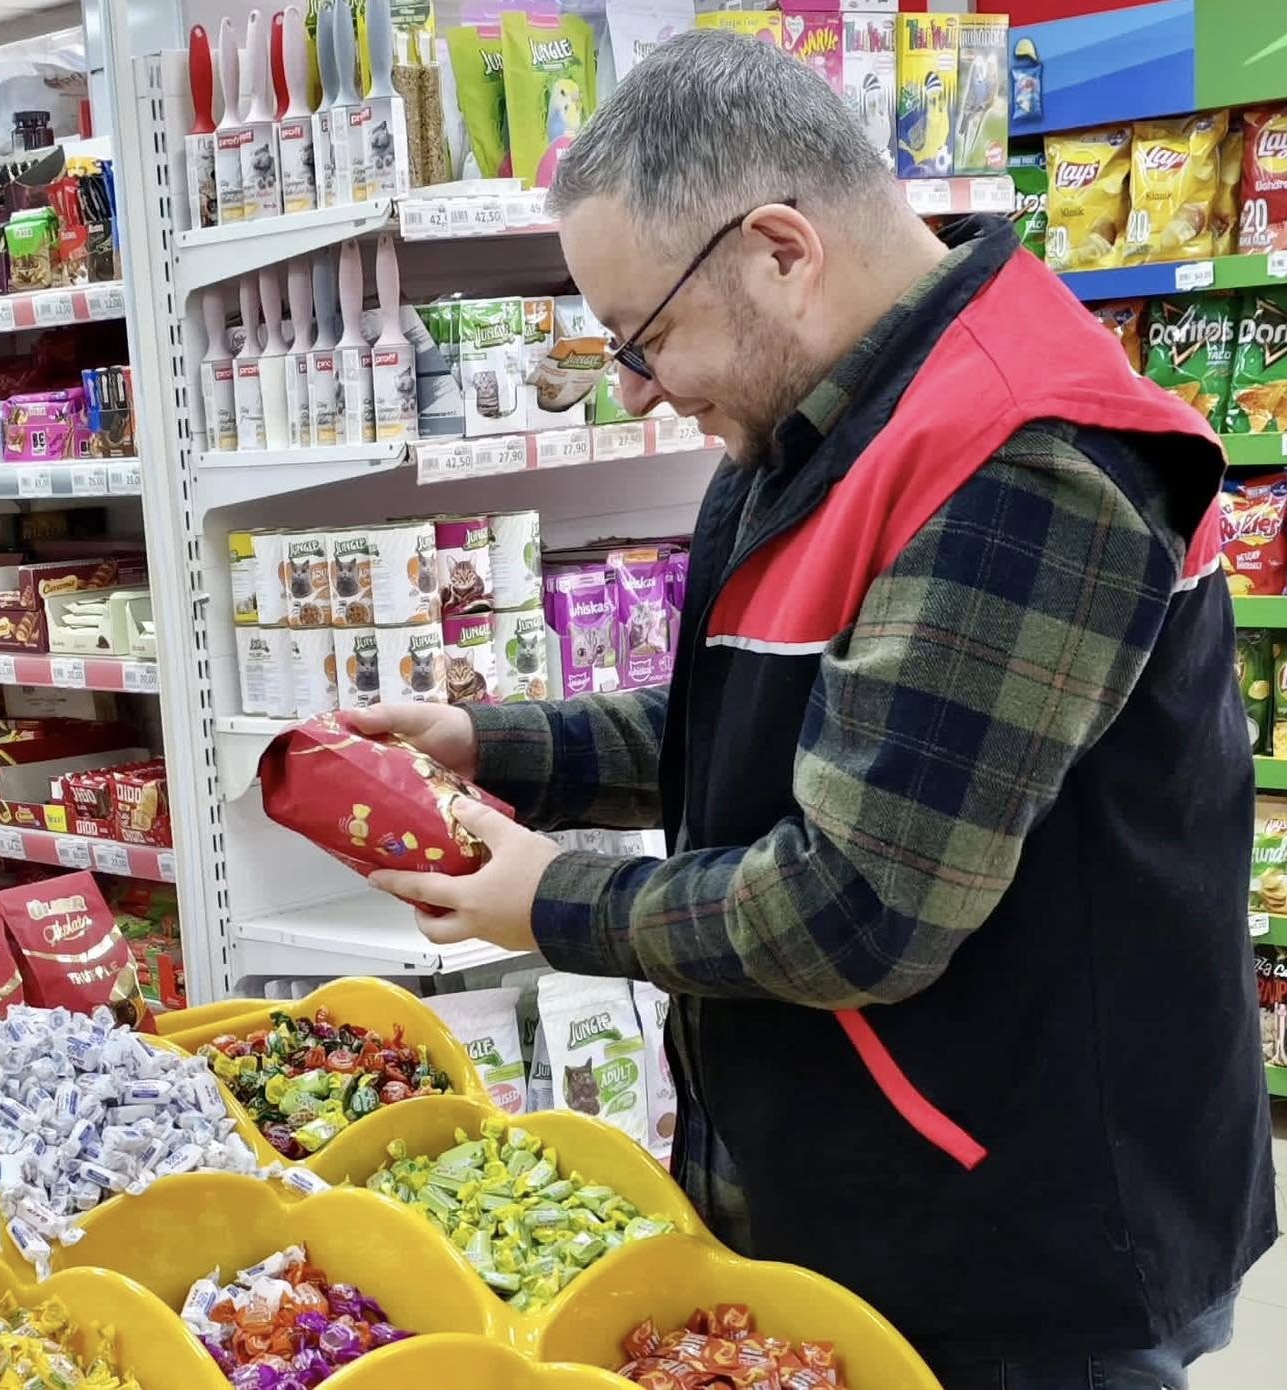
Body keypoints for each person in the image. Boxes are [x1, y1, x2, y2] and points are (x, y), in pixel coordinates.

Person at [353, 30, 1276, 1389]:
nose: (635, 389)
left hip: (1031, 1234)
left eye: (646, 338)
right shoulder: (823, 421)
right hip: (879, 1191)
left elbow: (861, 902)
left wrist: (554, 900)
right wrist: (496, 747)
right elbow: (763, 711)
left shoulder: (1028, 459)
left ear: (782, 248)